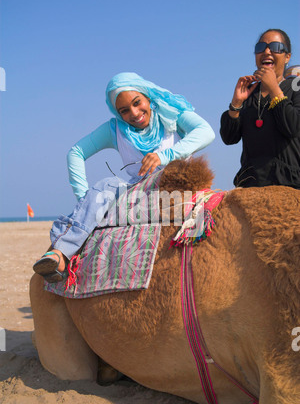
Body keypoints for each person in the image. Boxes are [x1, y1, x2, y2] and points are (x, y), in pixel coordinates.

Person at [33, 72, 215, 282]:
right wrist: (84, 198)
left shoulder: (172, 114)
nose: (135, 113)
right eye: (125, 110)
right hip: (137, 191)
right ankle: (61, 253)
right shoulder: (115, 129)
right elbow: (76, 153)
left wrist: (165, 156)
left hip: (176, 183)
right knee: (107, 185)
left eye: (137, 103)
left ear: (147, 97)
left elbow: (206, 132)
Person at [220, 29, 300, 189]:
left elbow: (293, 127)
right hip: (250, 185)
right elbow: (229, 138)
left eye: (276, 47)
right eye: (261, 47)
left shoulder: (295, 88)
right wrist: (236, 103)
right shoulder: (250, 92)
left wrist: (274, 89)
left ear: (287, 57)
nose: (267, 51)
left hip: (289, 187)